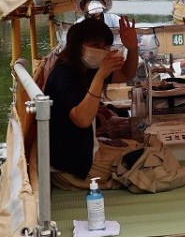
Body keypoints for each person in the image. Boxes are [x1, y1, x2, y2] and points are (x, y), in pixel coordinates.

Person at [45, 16, 139, 186]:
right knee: (150, 162)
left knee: (139, 147)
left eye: (105, 46)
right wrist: (102, 74)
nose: (102, 50)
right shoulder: (64, 74)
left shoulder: (86, 69)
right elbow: (82, 119)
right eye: (95, 45)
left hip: (87, 151)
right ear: (78, 46)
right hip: (75, 166)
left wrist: (132, 49)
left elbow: (127, 74)